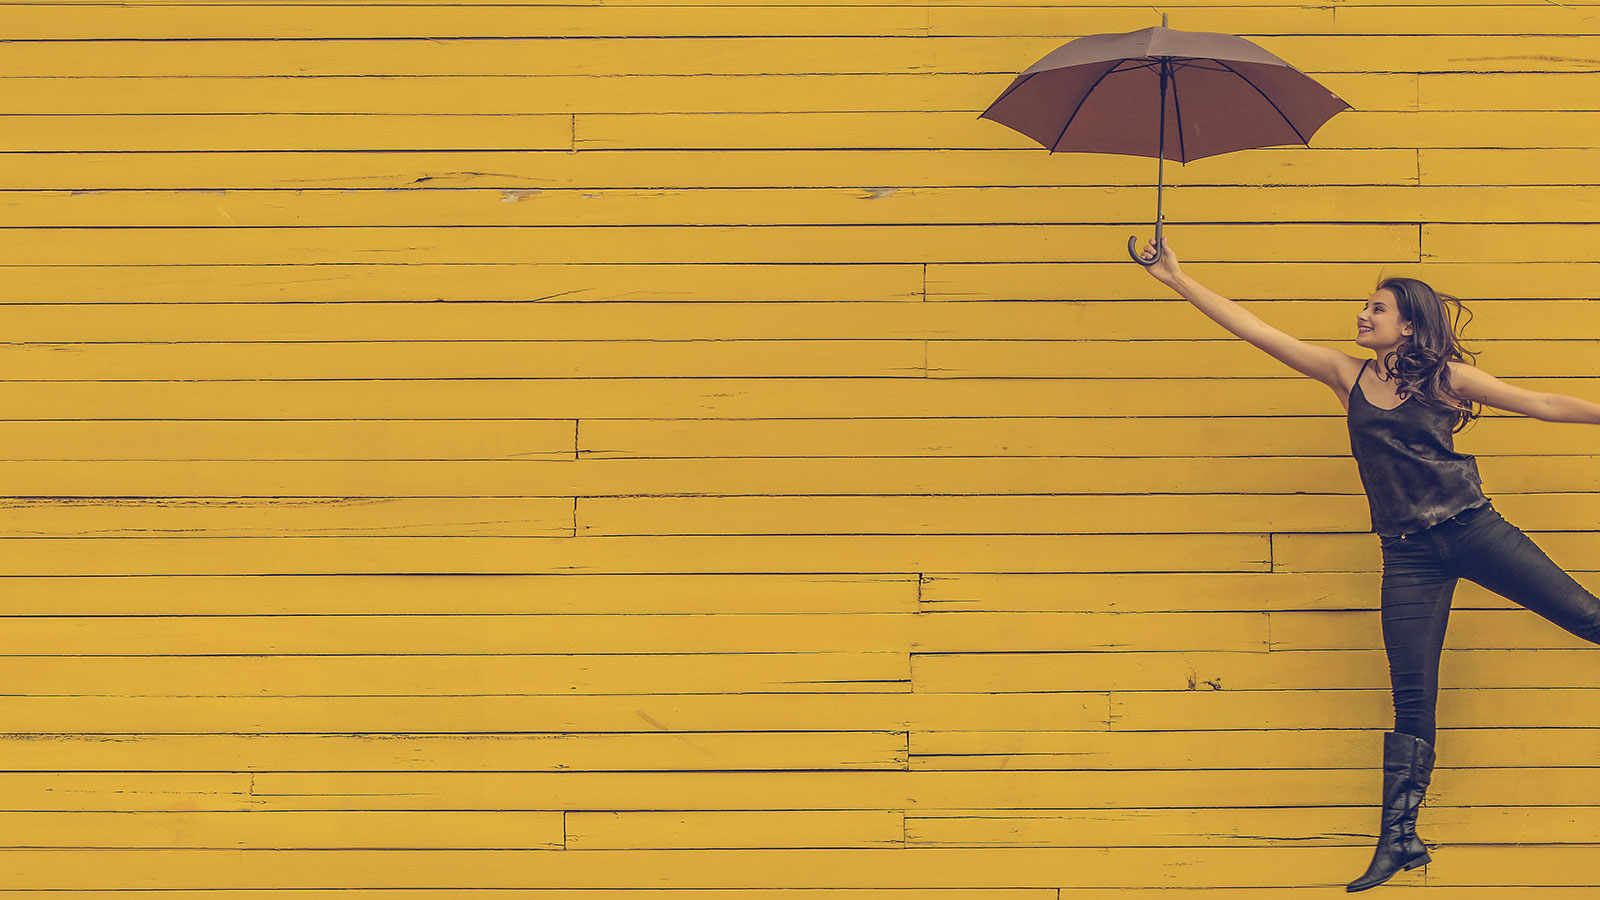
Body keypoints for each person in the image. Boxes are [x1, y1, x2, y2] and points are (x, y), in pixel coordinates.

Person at [1136, 236, 1600, 891]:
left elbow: (1542, 403)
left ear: (1407, 324)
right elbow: (1255, 329)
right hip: (1408, 557)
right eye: (1365, 307)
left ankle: (1401, 837)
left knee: (1585, 617)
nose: (1363, 315)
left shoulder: (1447, 379)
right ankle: (1400, 840)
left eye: (1375, 308)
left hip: (1473, 531)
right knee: (1411, 699)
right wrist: (1176, 278)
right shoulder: (1343, 375)